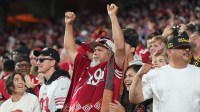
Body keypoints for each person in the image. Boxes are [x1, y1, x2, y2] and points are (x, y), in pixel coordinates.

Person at [63, 3, 125, 112]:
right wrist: (69, 25)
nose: (95, 52)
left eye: (100, 50)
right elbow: (69, 50)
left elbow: (119, 48)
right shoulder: (85, 65)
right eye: (94, 50)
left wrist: (113, 16)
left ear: (110, 54)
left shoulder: (113, 67)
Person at [129, 35, 200, 112]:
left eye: (189, 47)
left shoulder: (198, 73)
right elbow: (135, 99)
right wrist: (138, 76)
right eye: (182, 47)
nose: (187, 50)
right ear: (169, 52)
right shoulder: (155, 74)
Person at [33, 47, 71, 112]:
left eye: (41, 60)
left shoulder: (62, 81)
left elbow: (62, 110)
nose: (38, 63)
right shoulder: (44, 85)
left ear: (52, 62)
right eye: (37, 60)